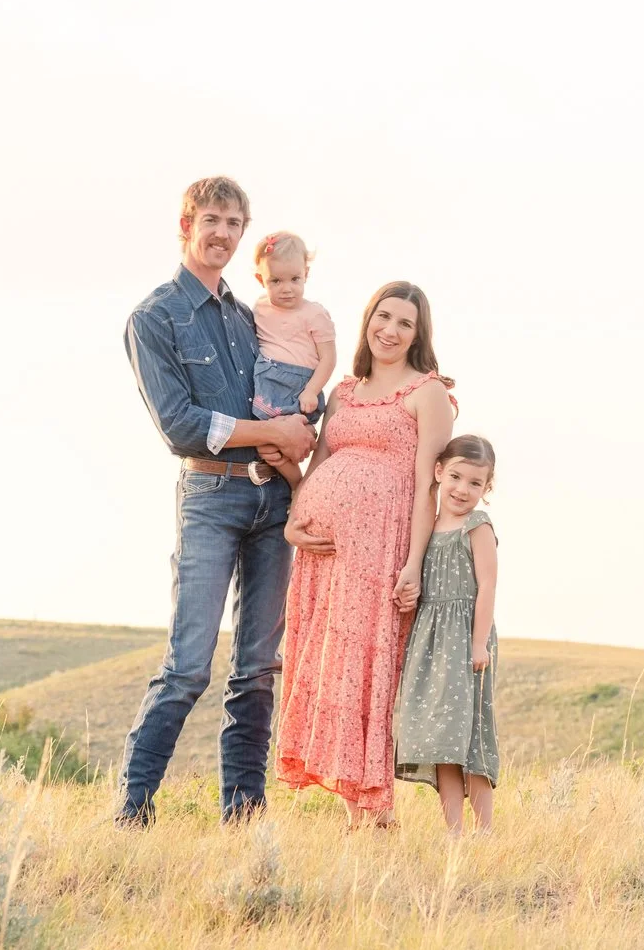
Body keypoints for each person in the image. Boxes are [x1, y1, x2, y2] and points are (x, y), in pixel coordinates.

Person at [118, 176, 318, 826]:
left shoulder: (250, 315)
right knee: (188, 664)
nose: (223, 234)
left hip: (273, 506)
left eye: (235, 223)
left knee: (258, 666)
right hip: (209, 497)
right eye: (212, 220)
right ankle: (132, 809)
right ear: (186, 225)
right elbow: (180, 424)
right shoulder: (154, 318)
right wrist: (274, 433)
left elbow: (294, 386)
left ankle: (244, 813)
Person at [275, 281, 456, 827]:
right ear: (367, 321)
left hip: (382, 551)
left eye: (405, 323)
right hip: (324, 555)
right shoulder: (346, 392)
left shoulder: (429, 394)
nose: (391, 330)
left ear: (418, 334)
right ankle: (356, 810)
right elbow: (322, 462)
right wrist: (293, 520)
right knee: (335, 668)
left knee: (369, 667)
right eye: (384, 317)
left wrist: (414, 563)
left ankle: (376, 811)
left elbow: (430, 486)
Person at [394, 435, 501, 835]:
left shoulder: (477, 525)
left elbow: (487, 585)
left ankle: (484, 831)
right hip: (430, 643)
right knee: (441, 738)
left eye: (475, 483)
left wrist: (478, 644)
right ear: (439, 472)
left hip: (466, 641)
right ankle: (454, 833)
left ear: (486, 489)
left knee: (469, 737)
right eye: (456, 477)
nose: (462, 489)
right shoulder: (427, 525)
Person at [248, 232, 335, 421]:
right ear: (260, 279)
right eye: (276, 281)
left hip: (300, 387)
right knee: (266, 437)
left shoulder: (314, 314)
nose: (287, 288)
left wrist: (312, 390)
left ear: (306, 274)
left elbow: (328, 358)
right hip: (266, 384)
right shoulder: (260, 308)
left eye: (295, 279)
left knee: (293, 433)